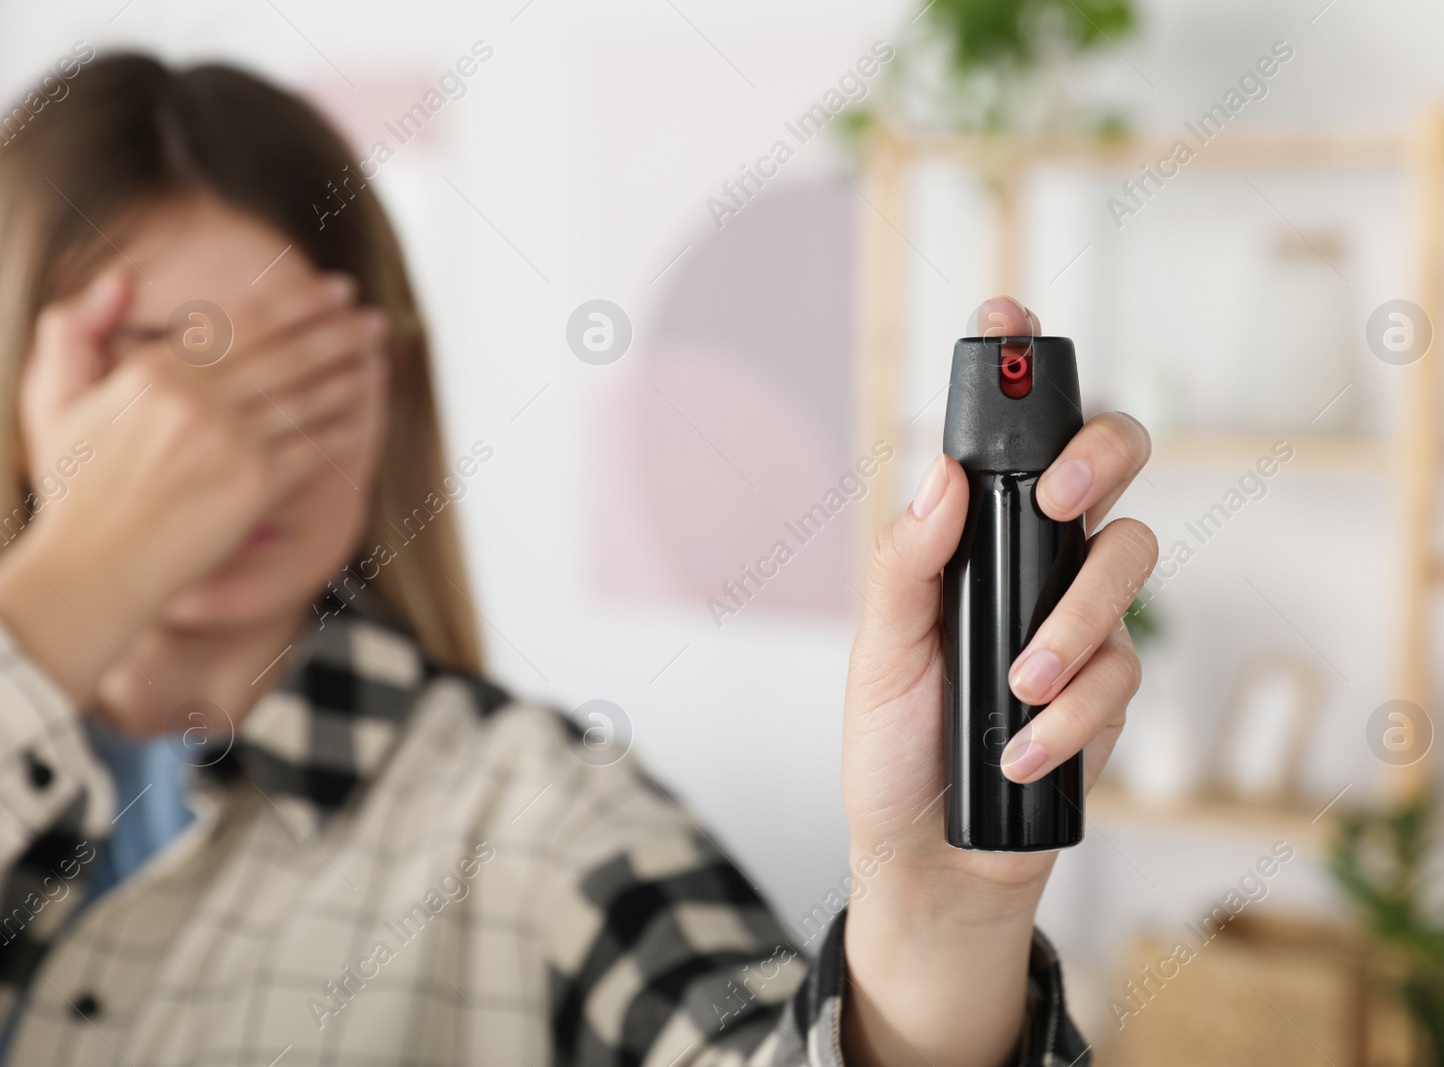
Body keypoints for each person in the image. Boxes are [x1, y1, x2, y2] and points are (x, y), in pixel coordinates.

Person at [0, 54, 1156, 1066]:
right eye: (166, 370)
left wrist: (931, 924)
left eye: (296, 370)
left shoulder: (539, 818)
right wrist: (56, 604)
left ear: (387, 386)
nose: (229, 446)